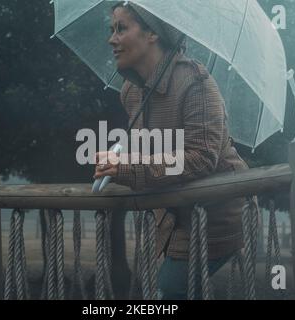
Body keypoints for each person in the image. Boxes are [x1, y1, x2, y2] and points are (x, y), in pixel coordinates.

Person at [94, 1, 250, 299]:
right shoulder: (130, 91)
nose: (111, 39)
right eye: (112, 29)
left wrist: (124, 168)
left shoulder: (196, 83)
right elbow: (148, 152)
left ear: (152, 33)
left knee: (168, 292)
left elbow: (201, 160)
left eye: (121, 28)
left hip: (212, 218)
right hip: (171, 216)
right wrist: (117, 157)